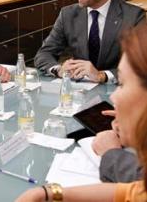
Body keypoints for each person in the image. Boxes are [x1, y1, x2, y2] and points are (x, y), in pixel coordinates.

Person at [16, 23, 147, 201]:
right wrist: (48, 193)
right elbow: (133, 192)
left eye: (122, 84)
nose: (114, 98)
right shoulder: (68, 14)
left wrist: (111, 152)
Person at [34, 0, 145, 83]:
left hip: (119, 93)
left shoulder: (134, 17)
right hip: (79, 93)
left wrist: (102, 75)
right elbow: (44, 54)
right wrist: (59, 70)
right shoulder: (68, 14)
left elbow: (141, 66)